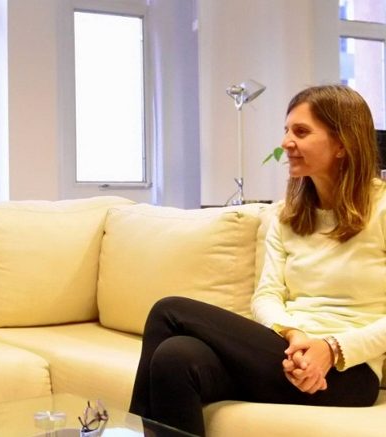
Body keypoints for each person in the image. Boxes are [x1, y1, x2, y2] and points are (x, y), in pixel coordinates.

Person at [128, 84, 386, 436]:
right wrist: (294, 334)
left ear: (343, 143)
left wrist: (330, 348)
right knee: (175, 357)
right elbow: (266, 295)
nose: (286, 142)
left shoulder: (381, 209)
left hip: (347, 372)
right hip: (287, 353)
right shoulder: (288, 215)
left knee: (169, 311)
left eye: (301, 132)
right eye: (286, 130)